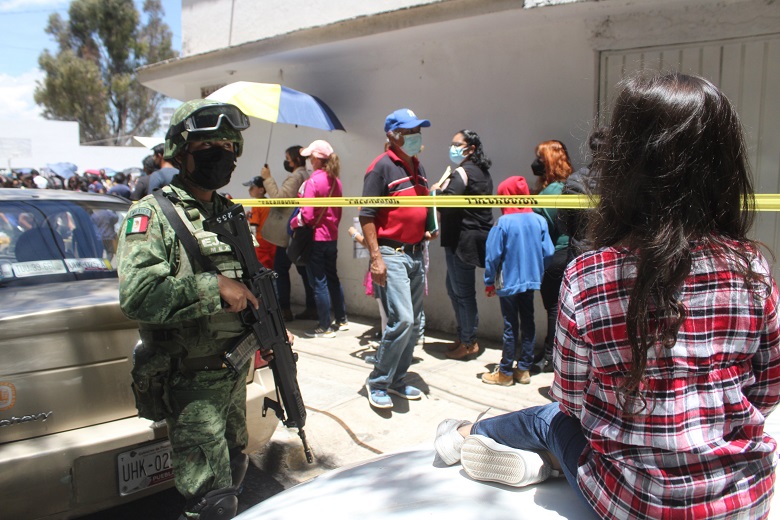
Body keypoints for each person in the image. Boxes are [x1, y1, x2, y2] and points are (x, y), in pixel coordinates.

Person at [434, 72, 780, 519]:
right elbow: (768, 390)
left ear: (623, 162)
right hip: (744, 499)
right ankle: (544, 459)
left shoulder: (590, 274)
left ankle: (466, 433)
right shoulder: (752, 268)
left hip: (633, 502)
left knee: (547, 419)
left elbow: (572, 401)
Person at [116, 99, 282, 520]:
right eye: (209, 148)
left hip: (231, 374)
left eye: (229, 147)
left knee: (237, 467)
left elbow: (250, 281)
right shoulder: (153, 214)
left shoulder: (228, 212)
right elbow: (137, 295)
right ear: (181, 153)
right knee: (211, 501)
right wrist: (213, 287)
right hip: (191, 382)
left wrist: (269, 329)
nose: (221, 156)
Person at [360, 108, 436, 409]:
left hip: (417, 252)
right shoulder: (380, 168)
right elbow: (366, 215)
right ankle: (378, 381)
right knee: (402, 320)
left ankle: (397, 378)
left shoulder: (419, 166)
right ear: (393, 135)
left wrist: (427, 227)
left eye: (418, 131)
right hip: (392, 253)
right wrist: (376, 258)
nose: (416, 137)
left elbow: (420, 206)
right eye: (410, 132)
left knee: (414, 323)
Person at [481, 176, 553, 386]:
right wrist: (537, 269)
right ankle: (523, 370)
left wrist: (488, 281)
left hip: (508, 281)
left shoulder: (503, 223)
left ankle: (504, 372)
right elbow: (547, 252)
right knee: (528, 321)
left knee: (510, 324)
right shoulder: (539, 220)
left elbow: (492, 255)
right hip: (531, 280)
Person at [431, 129, 494, 360]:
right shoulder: (483, 172)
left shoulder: (461, 173)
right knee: (454, 288)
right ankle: (464, 335)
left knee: (463, 293)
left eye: (457, 144)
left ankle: (468, 342)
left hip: (461, 240)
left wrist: (437, 191)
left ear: (472, 148)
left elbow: (447, 204)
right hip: (473, 238)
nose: (453, 148)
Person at [291, 140, 348, 338]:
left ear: (315, 159)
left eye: (309, 157)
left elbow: (306, 214)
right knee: (332, 277)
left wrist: (295, 224)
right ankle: (342, 319)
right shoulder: (336, 181)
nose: (308, 161)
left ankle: (324, 325)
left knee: (319, 281)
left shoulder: (313, 182)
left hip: (315, 237)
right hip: (331, 236)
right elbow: (339, 212)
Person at [260, 145, 317, 322]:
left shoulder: (296, 176)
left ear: (295, 160)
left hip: (287, 235)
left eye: (288, 158)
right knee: (303, 270)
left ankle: (284, 309)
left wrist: (267, 178)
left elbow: (279, 199)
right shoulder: (305, 175)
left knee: (281, 270)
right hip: (297, 233)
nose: (286, 161)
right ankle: (312, 307)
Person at [532, 139, 573, 373]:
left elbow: (545, 228)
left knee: (553, 307)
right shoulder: (565, 186)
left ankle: (550, 356)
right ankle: (549, 350)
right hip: (564, 253)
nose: (535, 163)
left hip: (555, 255)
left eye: (540, 159)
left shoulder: (552, 191)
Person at [557, 128, 606, 263]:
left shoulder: (575, 181)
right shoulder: (622, 183)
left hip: (580, 255)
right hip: (611, 255)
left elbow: (564, 225)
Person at [242, 176, 276, 269]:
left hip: (261, 239)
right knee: (272, 263)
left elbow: (254, 226)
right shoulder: (269, 202)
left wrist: (252, 240)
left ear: (261, 190)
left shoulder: (257, 203)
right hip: (272, 239)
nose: (250, 190)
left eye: (252, 187)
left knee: (263, 265)